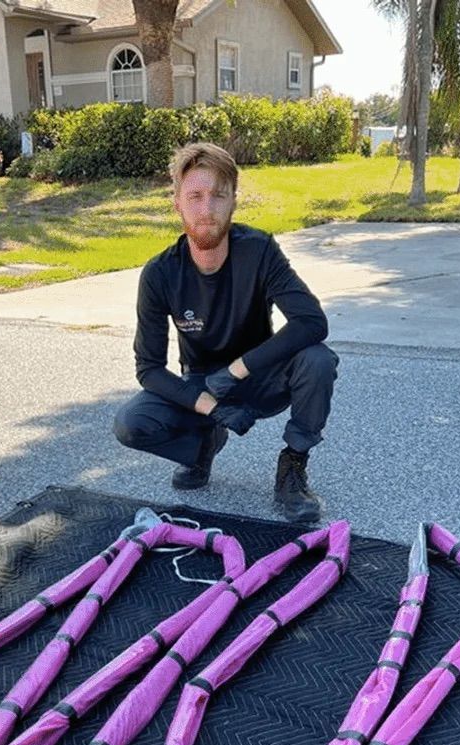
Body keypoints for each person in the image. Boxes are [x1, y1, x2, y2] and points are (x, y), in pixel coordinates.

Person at [114, 141, 339, 519]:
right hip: (204, 384)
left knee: (318, 360)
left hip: (261, 376)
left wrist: (237, 370)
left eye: (218, 195)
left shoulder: (259, 250)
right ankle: (201, 447)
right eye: (195, 197)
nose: (206, 209)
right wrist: (211, 407)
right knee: (131, 423)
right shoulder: (160, 273)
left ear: (234, 200)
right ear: (177, 203)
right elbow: (148, 368)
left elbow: (312, 322)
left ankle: (293, 467)